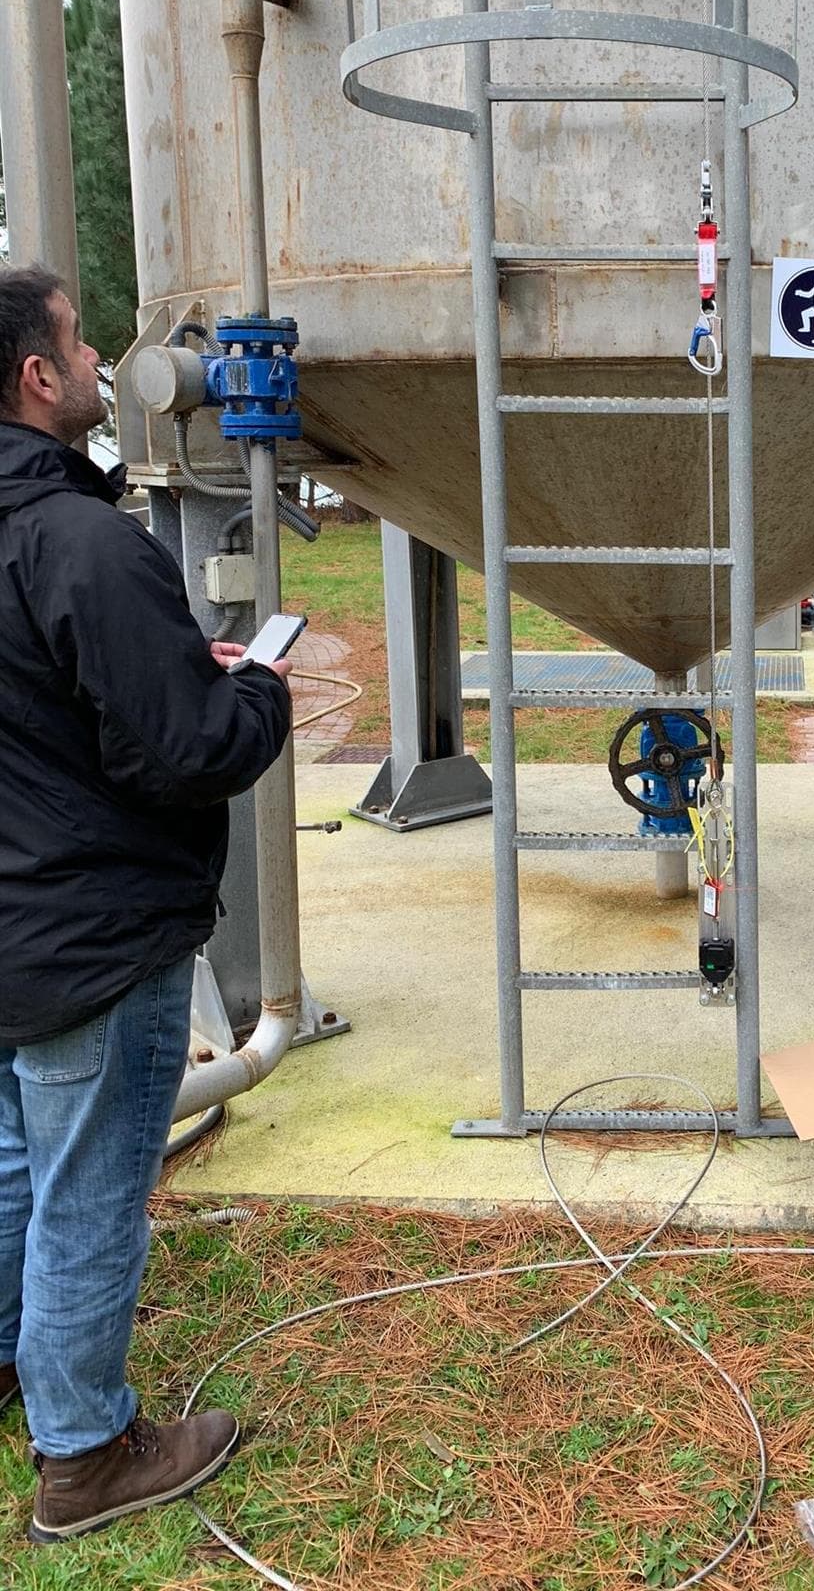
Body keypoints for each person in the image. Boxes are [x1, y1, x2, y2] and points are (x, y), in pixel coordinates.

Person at [0, 266, 293, 1543]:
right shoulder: (79, 539)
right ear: (35, 377)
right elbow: (183, 751)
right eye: (80, 344)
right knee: (89, 1192)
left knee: (13, 1166)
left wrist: (174, 674)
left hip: (12, 924)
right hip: (91, 933)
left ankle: (17, 1368)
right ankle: (85, 1451)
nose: (99, 367)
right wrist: (254, 693)